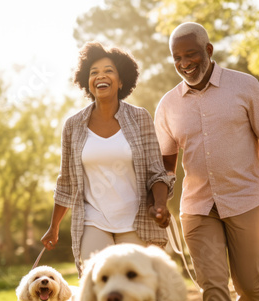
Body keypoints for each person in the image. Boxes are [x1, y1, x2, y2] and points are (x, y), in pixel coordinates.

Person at [153, 22, 259, 301]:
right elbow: (167, 164)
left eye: (190, 54)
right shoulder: (168, 104)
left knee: (249, 285)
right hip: (197, 205)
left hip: (246, 198)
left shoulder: (244, 86)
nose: (184, 63)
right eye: (177, 58)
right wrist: (160, 202)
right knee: (213, 286)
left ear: (208, 51)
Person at [41, 41, 173, 275]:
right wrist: (53, 227)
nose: (100, 76)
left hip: (135, 219)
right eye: (94, 73)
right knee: (98, 283)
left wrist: (160, 205)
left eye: (108, 71)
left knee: (135, 289)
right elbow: (66, 182)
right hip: (93, 220)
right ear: (87, 82)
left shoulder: (140, 118)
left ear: (121, 80)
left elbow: (156, 172)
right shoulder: (73, 126)